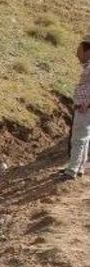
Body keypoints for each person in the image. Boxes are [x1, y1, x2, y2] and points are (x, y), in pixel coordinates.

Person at [61, 35, 90, 180]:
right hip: (84, 107)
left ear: (87, 51)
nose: (77, 55)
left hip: (85, 108)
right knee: (84, 138)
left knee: (78, 138)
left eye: (80, 51)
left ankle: (72, 170)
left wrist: (87, 104)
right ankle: (79, 167)